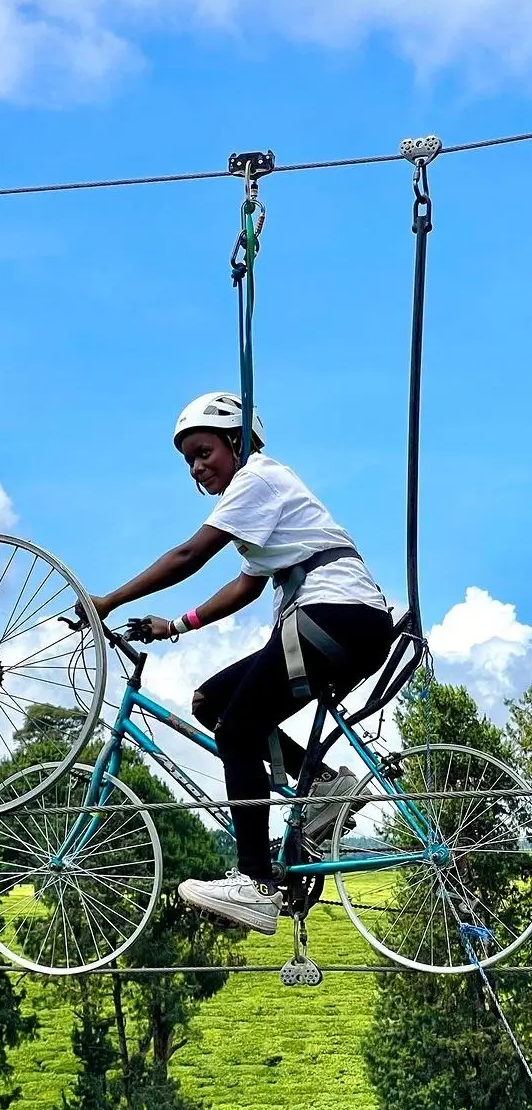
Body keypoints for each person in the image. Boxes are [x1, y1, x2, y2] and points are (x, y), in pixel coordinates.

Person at [87, 392, 393, 935]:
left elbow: (189, 555)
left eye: (203, 451)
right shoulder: (260, 501)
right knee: (212, 702)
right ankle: (323, 786)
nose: (197, 467)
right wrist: (175, 625)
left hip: (335, 617)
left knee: (238, 728)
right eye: (188, 460)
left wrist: (106, 601)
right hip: (336, 625)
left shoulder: (258, 478)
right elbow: (247, 586)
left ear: (236, 441)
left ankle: (254, 883)